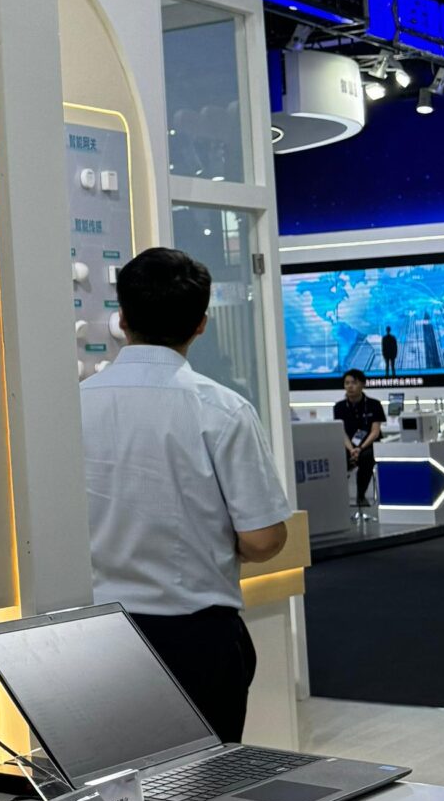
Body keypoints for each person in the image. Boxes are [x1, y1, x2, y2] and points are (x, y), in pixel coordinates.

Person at [80, 247, 289, 744]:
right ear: (201, 324)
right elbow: (263, 540)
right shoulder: (223, 410)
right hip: (195, 640)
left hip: (93, 639)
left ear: (122, 318)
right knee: (204, 782)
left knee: (112, 778)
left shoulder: (74, 407)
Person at [332, 368, 385, 515]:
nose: (350, 386)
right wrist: (351, 449)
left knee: (367, 457)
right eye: (347, 383)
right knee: (336, 457)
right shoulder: (339, 407)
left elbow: (375, 431)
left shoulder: (374, 404)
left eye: (354, 383)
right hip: (348, 445)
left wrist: (359, 449)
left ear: (362, 384)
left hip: (369, 445)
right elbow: (341, 431)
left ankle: (361, 495)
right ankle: (338, 497)